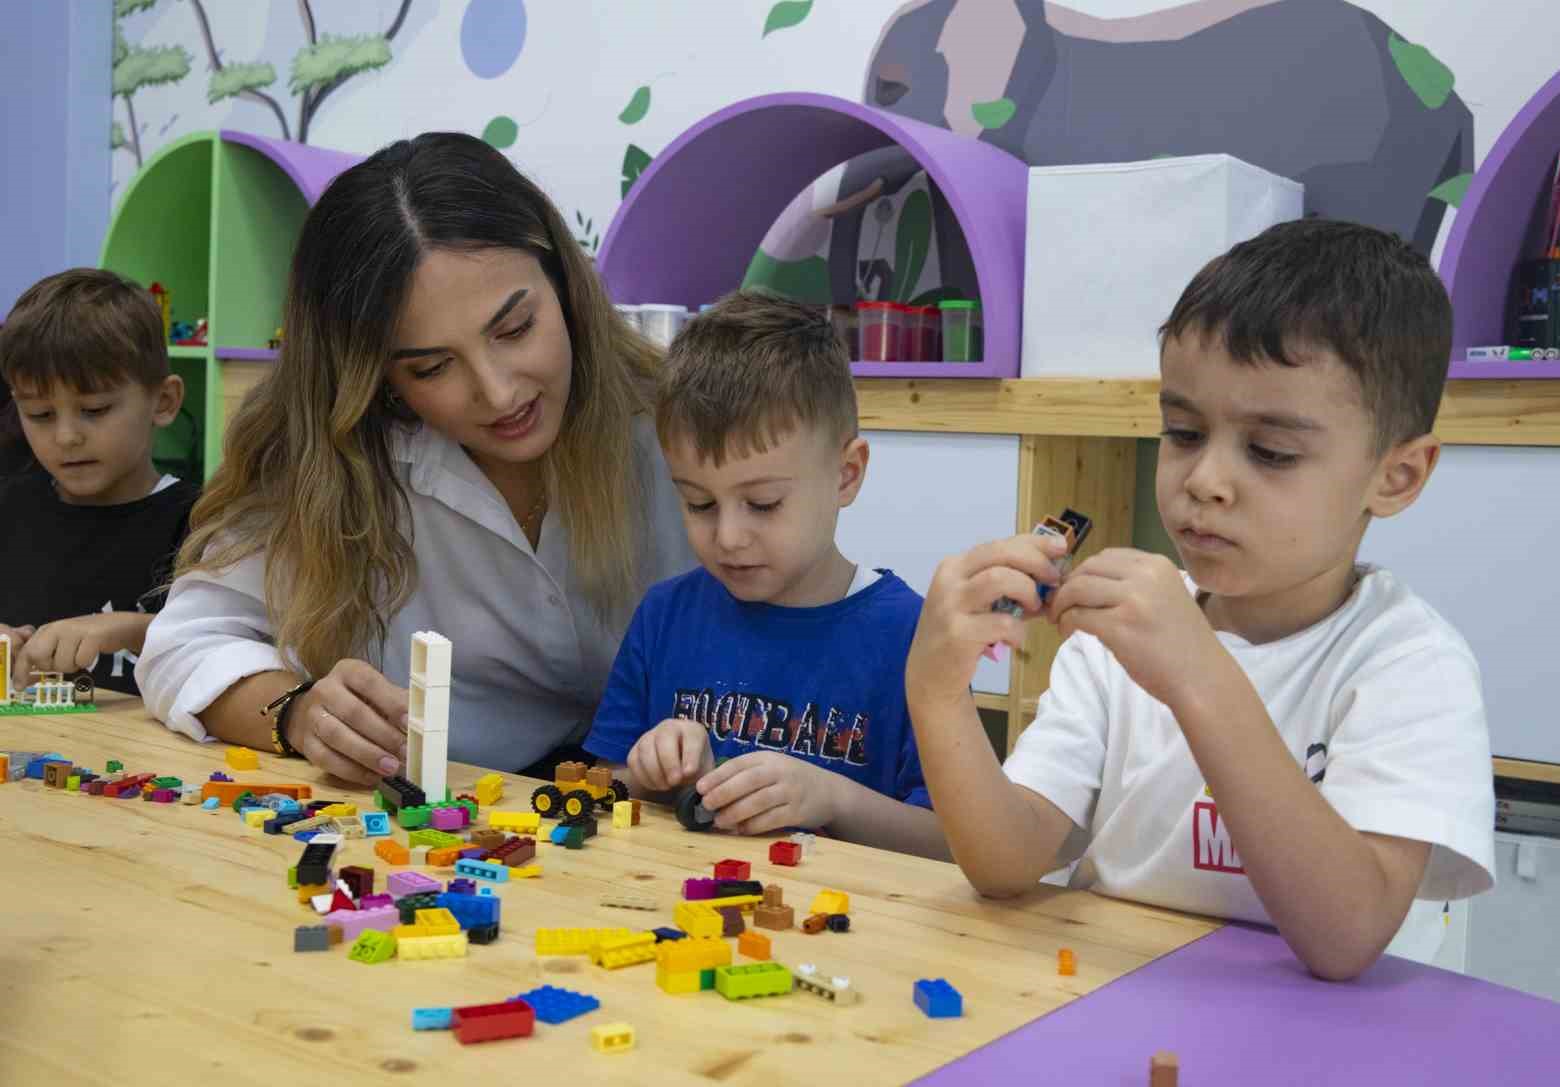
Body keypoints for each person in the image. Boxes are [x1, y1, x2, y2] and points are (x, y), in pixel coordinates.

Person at [905, 220, 1495, 978]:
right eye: (1183, 432)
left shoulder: (1410, 664)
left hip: (1330, 1034)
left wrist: (1200, 675)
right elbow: (1005, 862)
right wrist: (936, 692)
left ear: (1397, 477)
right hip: (1117, 1000)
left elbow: (1346, 938)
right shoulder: (1116, 644)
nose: (1205, 480)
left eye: (1271, 451)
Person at [136, 133, 695, 785]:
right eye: (432, 366)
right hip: (447, 809)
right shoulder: (335, 453)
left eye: (515, 329)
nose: (498, 392)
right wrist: (299, 714)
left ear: (567, 288)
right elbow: (183, 644)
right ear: (374, 377)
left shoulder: (680, 421)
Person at [583, 292, 945, 858]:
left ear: (846, 475)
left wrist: (833, 799)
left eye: (763, 503)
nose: (728, 536)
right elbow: (600, 789)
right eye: (699, 504)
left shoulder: (914, 636)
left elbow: (953, 845)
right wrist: (650, 774)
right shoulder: (664, 615)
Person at [0, 268, 198, 694]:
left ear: (164, 401)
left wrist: (131, 629)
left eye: (94, 410)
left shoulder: (202, 524)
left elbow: (229, 647)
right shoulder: (10, 508)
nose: (66, 437)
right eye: (40, 415)